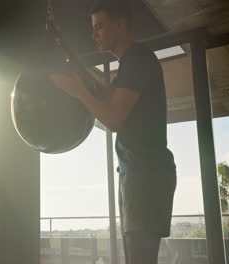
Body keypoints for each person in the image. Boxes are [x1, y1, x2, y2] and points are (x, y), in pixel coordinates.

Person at [50, 1, 177, 263]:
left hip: (145, 173)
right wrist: (84, 76)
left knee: (139, 259)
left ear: (120, 25)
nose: (93, 34)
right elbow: (112, 95)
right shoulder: (134, 60)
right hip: (139, 171)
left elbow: (114, 119)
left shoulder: (138, 59)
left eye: (99, 27)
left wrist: (78, 91)